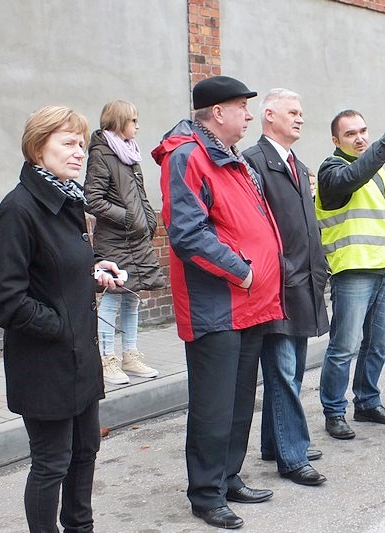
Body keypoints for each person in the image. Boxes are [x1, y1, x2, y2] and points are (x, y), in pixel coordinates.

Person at [0, 105, 122, 532]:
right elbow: (1, 298)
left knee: (85, 452)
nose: (79, 152)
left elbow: (55, 273)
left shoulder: (68, 200)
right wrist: (58, 325)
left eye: (81, 143)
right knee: (52, 463)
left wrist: (93, 276)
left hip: (80, 357)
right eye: (68, 143)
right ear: (38, 148)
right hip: (45, 362)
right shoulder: (20, 208)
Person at [152, 75, 279, 530]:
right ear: (218, 112)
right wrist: (243, 269)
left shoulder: (230, 157)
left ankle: (228, 477)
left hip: (249, 303)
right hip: (219, 304)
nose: (249, 115)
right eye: (243, 107)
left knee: (240, 399)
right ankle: (205, 494)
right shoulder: (188, 156)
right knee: (212, 404)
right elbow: (188, 233)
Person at [316, 110, 385, 439]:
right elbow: (352, 177)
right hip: (353, 271)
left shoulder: (379, 174)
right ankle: (334, 411)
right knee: (344, 346)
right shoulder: (332, 170)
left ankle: (367, 402)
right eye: (351, 134)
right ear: (337, 141)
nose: (360, 137)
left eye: (363, 130)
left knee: (378, 344)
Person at [243, 89, 328, 486]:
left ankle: (276, 442)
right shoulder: (254, 162)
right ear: (269, 115)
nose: (300, 118)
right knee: (282, 371)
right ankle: (292, 456)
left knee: (290, 371)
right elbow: (255, 229)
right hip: (277, 286)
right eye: (292, 112)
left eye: (301, 112)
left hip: (302, 282)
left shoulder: (296, 163)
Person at [85, 100, 165, 385]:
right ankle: (107, 360)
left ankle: (130, 354)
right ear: (118, 123)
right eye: (133, 121)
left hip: (136, 238)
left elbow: (138, 193)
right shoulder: (102, 154)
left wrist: (148, 221)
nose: (137, 126)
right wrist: (130, 217)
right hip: (115, 240)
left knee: (132, 296)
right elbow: (92, 198)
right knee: (113, 296)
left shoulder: (128, 152)